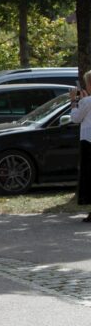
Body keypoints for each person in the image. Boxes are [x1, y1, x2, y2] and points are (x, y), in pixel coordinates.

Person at [71, 71, 91, 222]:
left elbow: (75, 118)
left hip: (88, 141)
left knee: (88, 175)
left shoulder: (87, 101)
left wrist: (74, 101)